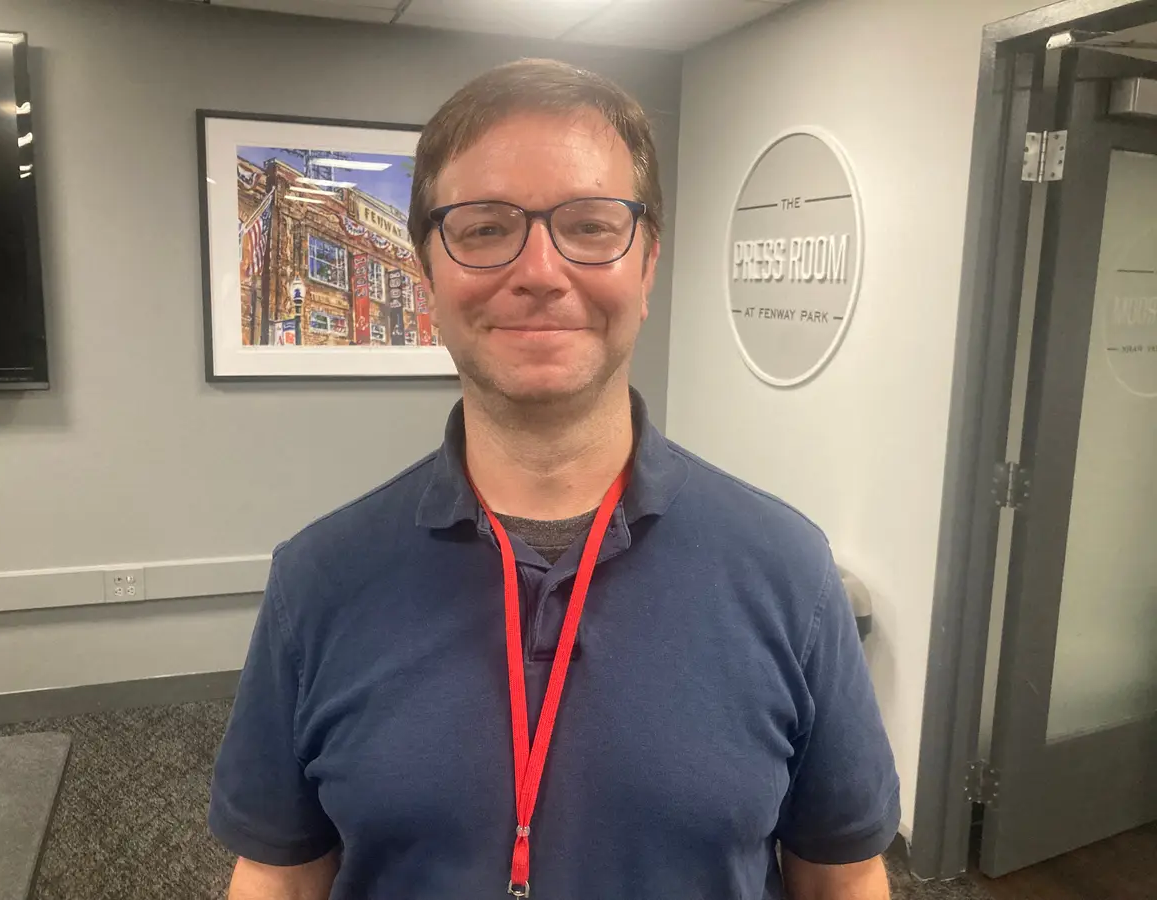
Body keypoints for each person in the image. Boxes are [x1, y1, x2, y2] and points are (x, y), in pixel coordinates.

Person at [209, 58, 900, 900]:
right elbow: (279, 876)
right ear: (428, 277)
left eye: (591, 224)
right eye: (484, 228)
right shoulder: (319, 581)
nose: (539, 270)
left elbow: (843, 876)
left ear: (646, 266)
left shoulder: (789, 573)